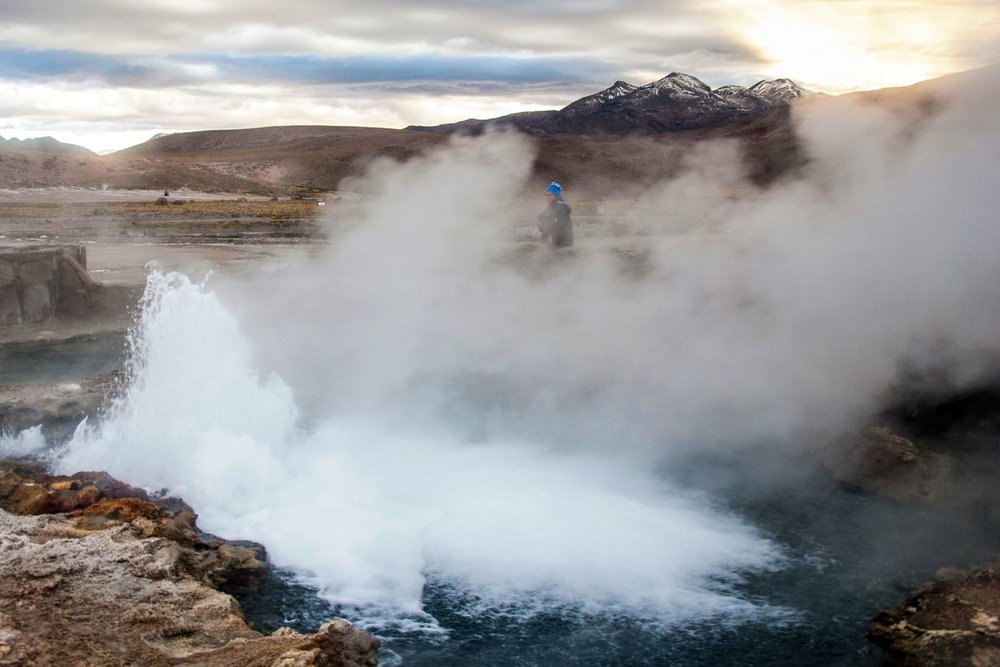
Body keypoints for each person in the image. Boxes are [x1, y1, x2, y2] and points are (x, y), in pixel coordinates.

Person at [537, 181, 573, 248]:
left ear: (556, 196)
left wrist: (550, 235)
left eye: (550, 195)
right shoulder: (552, 205)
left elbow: (558, 224)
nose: (547, 197)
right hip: (555, 242)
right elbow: (544, 216)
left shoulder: (560, 206)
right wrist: (540, 218)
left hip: (560, 243)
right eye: (546, 195)